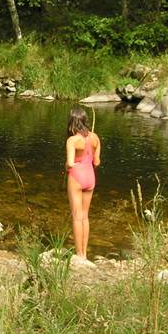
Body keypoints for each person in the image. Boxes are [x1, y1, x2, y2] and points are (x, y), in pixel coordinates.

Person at [65, 107, 100, 259]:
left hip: (77, 177)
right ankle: (85, 254)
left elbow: (70, 163)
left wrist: (65, 167)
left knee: (77, 216)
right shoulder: (95, 138)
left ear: (72, 123)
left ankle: (79, 255)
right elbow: (97, 162)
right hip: (90, 177)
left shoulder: (72, 140)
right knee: (85, 216)